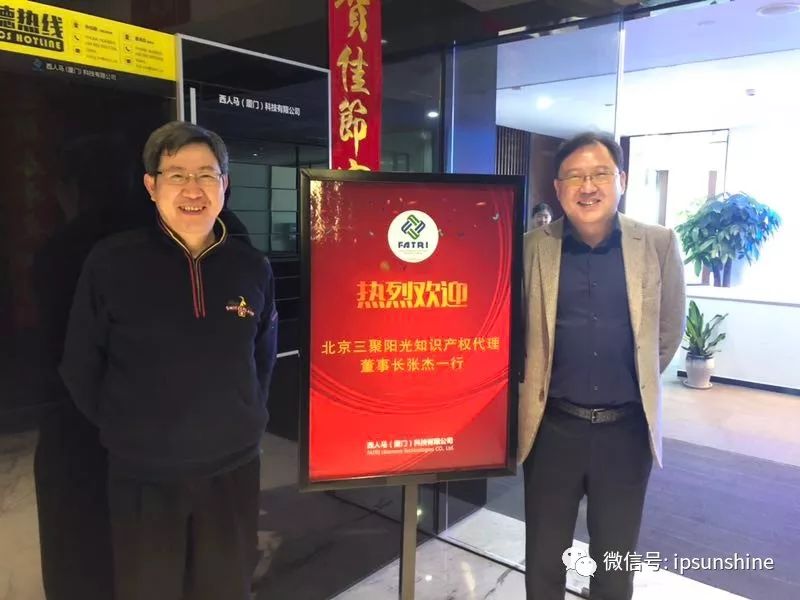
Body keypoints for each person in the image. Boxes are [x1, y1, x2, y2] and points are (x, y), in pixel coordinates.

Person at [59, 121, 278, 600]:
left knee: (227, 588)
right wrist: (131, 429)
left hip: (233, 467)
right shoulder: (111, 262)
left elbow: (262, 359)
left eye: (206, 175)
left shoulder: (252, 266)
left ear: (225, 184)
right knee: (147, 589)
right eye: (177, 175)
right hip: (144, 474)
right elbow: (80, 366)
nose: (193, 189)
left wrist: (244, 417)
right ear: (151, 185)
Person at [518, 132, 685, 600]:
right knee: (544, 559)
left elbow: (668, 330)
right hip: (552, 429)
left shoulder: (658, 244)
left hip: (625, 432)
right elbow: (517, 332)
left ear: (622, 180)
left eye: (599, 174)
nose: (587, 186)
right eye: (574, 176)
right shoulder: (531, 248)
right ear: (558, 187)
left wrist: (635, 379)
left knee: (614, 565)